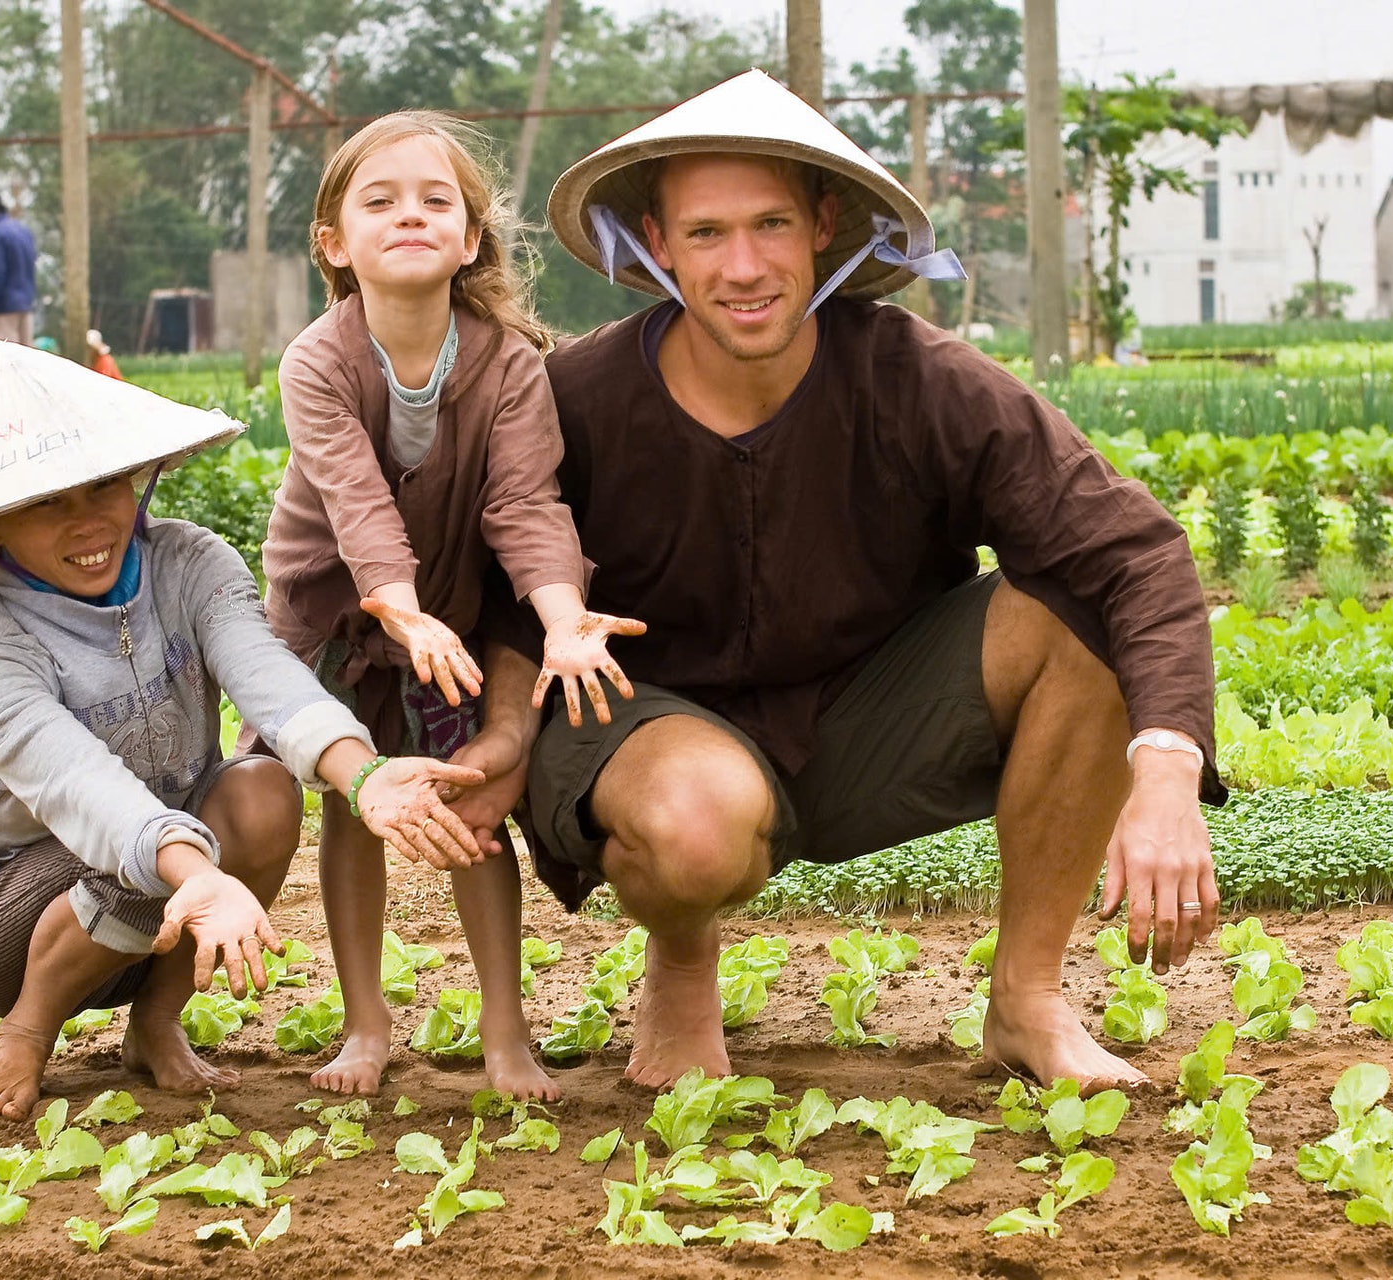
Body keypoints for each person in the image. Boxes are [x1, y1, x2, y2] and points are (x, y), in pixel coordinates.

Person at [471, 70, 1224, 1091]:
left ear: (824, 224)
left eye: (772, 223)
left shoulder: (920, 380)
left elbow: (1134, 550)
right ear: (654, 240)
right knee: (696, 825)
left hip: (865, 717)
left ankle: (1027, 998)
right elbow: (499, 583)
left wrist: (1169, 770)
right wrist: (507, 740)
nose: (744, 266)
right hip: (653, 729)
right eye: (706, 233)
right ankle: (682, 958)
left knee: (1078, 607)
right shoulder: (578, 398)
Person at [0, 341, 485, 1121]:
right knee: (136, 852)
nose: (87, 521)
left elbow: (265, 671)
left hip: (167, 887)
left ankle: (155, 1022)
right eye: (48, 503)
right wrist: (195, 875)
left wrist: (361, 772)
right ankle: (27, 1029)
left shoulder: (188, 562)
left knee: (261, 790)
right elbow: (79, 787)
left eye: (103, 487)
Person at [261, 112, 644, 1101]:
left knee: (475, 804)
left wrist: (562, 616)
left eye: (437, 201)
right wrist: (395, 606)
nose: (412, 216)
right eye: (380, 201)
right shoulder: (316, 360)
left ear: (471, 238)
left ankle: (505, 1032)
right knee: (363, 803)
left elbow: (525, 502)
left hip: (452, 620)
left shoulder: (508, 362)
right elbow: (352, 500)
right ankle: (364, 1024)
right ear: (335, 243)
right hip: (339, 616)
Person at [0, 190, 38, 346]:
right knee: (25, 362)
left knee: (3, 363)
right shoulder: (23, 230)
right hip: (25, 304)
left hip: (4, 308)